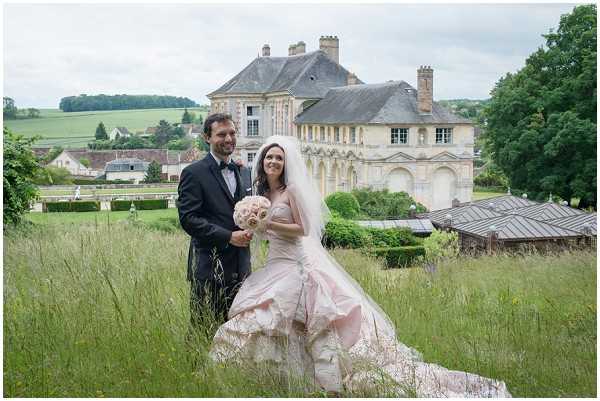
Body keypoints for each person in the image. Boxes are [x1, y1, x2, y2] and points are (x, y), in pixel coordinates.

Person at [209, 135, 512, 397]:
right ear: (262, 161)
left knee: (300, 319)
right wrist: (255, 227)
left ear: (286, 164)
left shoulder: (292, 192)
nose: (272, 161)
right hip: (273, 263)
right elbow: (265, 231)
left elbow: (302, 229)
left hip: (296, 264)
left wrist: (269, 222)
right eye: (269, 157)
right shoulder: (261, 195)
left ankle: (326, 382)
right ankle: (280, 379)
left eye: (278, 158)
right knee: (265, 319)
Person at [177, 113, 253, 332]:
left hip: (241, 267)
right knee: (203, 330)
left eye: (232, 133)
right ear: (207, 137)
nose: (228, 139)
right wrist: (229, 236)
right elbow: (189, 220)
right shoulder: (193, 173)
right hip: (209, 268)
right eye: (221, 134)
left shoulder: (243, 171)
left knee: (237, 332)